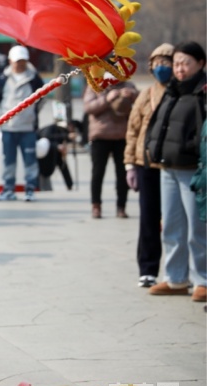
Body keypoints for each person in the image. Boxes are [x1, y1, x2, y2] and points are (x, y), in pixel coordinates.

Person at [146, 41, 206, 303]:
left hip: (192, 169)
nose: (180, 69)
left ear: (200, 64)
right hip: (167, 166)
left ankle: (202, 279)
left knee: (197, 228)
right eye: (177, 63)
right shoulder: (171, 90)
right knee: (171, 225)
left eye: (186, 63)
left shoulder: (202, 92)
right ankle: (176, 278)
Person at [124, 43, 174, 287]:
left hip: (173, 165)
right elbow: (133, 131)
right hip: (146, 164)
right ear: (151, 66)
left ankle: (177, 272)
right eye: (158, 62)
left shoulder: (182, 94)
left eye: (168, 62)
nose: (162, 67)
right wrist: (129, 165)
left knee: (175, 220)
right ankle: (148, 269)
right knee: (148, 218)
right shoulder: (146, 94)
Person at [0, 45, 43, 202]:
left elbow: (42, 99)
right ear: (10, 61)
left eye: (23, 61)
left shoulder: (35, 78)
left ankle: (30, 189)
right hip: (8, 128)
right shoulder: (3, 78)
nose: (20, 64)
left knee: (30, 160)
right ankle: (8, 189)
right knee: (8, 160)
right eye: (17, 61)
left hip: (28, 127)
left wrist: (30, 114)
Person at [83, 80, 138, 219]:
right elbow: (89, 108)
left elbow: (139, 105)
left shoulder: (128, 85)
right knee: (97, 173)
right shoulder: (95, 85)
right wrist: (106, 99)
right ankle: (96, 205)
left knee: (122, 173)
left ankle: (121, 206)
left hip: (122, 136)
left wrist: (131, 95)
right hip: (100, 136)